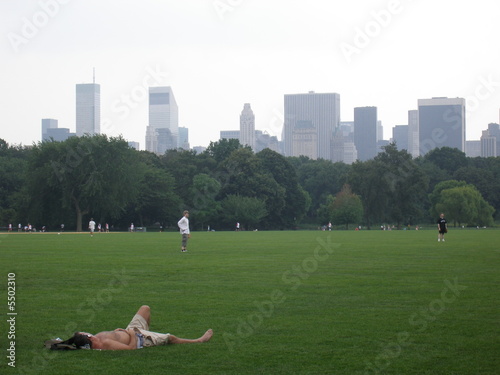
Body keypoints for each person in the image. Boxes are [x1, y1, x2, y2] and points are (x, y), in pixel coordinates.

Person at [46, 305, 213, 351]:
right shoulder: (103, 345)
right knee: (170, 338)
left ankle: (151, 334)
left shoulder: (93, 339)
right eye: (86, 333)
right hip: (138, 338)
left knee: (145, 309)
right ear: (90, 339)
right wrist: (133, 335)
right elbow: (130, 348)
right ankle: (198, 340)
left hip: (130, 331)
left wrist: (119, 331)